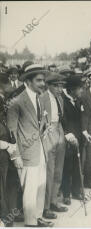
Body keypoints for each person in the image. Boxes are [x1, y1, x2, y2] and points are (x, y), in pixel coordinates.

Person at [7, 64, 54, 227]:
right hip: (26, 153)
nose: (43, 83)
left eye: (43, 80)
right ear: (28, 81)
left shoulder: (39, 98)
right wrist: (15, 155)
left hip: (40, 150)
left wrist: (45, 127)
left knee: (41, 184)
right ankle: (30, 221)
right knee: (30, 189)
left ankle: (38, 216)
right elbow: (11, 132)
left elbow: (38, 125)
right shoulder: (16, 101)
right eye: (39, 80)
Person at [40, 72, 68, 220]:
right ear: (49, 85)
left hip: (60, 131)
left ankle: (54, 201)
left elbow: (61, 118)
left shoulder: (60, 98)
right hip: (48, 132)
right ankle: (45, 207)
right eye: (56, 86)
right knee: (49, 171)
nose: (59, 89)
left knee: (58, 169)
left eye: (61, 86)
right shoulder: (42, 98)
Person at [0, 72, 21, 227]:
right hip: (3, 152)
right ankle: (5, 215)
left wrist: (13, 151)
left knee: (12, 182)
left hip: (9, 153)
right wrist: (7, 146)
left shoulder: (5, 111)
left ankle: (11, 214)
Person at [61, 75, 84, 205]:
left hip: (78, 138)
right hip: (68, 140)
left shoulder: (77, 100)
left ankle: (76, 191)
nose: (81, 91)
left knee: (77, 165)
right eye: (80, 88)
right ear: (71, 89)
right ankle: (66, 193)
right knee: (67, 166)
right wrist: (69, 136)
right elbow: (63, 122)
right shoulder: (63, 101)